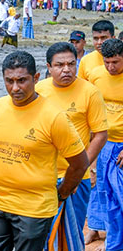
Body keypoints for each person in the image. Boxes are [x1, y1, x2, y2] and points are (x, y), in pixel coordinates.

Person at [0, 51, 89, 251]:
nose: (15, 88)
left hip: (35, 209)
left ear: (36, 78)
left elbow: (79, 163)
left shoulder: (54, 117)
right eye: (9, 81)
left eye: (22, 80)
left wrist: (62, 193)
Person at [36, 43, 108, 251]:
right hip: (42, 174)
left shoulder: (90, 92)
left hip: (76, 177)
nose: (66, 69)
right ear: (49, 67)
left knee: (72, 232)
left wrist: (82, 167)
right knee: (41, 231)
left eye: (71, 64)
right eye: (59, 65)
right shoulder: (39, 90)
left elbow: (100, 135)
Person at [86, 38, 123, 251]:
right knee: (103, 191)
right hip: (103, 143)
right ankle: (102, 233)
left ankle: (114, 242)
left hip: (121, 146)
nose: (110, 67)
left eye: (115, 62)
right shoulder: (97, 75)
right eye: (107, 62)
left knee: (119, 197)